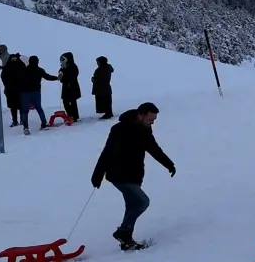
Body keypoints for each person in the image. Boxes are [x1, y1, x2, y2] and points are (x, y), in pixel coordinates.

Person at [90, 102, 176, 249]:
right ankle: (123, 233)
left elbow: (153, 148)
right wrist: (97, 174)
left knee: (132, 205)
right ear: (140, 115)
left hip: (135, 174)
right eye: (150, 119)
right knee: (142, 202)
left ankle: (126, 238)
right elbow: (107, 152)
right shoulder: (119, 129)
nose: (152, 123)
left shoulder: (144, 129)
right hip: (119, 175)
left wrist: (169, 164)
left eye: (154, 120)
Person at [19, 54, 57, 134]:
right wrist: (57, 78)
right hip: (36, 92)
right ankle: (44, 124)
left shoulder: (24, 70)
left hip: (25, 93)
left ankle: (26, 128)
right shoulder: (39, 70)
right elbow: (47, 77)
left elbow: (18, 81)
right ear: (37, 62)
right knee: (39, 108)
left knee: (25, 111)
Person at [0, 52, 25, 127]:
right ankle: (19, 120)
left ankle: (16, 121)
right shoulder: (21, 65)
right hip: (17, 90)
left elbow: (3, 77)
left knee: (15, 107)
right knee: (18, 106)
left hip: (11, 90)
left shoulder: (8, 67)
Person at [58, 52, 81, 122]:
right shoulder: (63, 67)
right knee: (66, 102)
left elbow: (72, 76)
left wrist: (64, 71)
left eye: (63, 59)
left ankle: (74, 116)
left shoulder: (73, 66)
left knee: (72, 102)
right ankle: (69, 115)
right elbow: (60, 78)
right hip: (66, 87)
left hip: (72, 87)